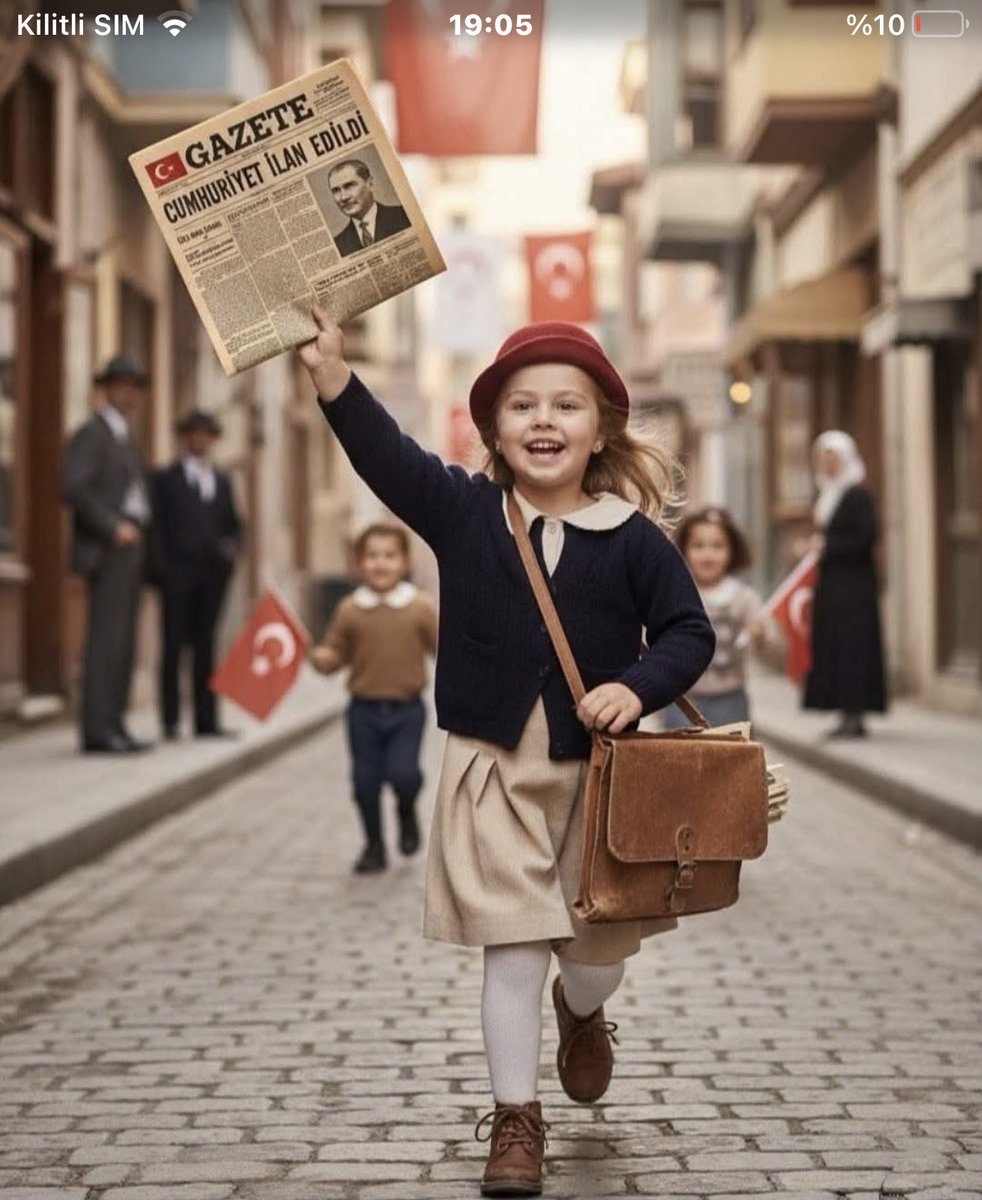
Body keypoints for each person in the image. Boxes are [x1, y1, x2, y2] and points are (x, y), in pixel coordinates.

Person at [299, 310, 714, 1197]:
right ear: (492, 428)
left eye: (566, 404)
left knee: (595, 956)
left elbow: (688, 632)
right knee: (514, 948)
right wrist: (334, 377)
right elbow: (386, 455)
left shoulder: (634, 538)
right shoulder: (464, 511)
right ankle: (517, 1123)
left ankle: (582, 1011)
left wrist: (637, 687)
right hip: (493, 767)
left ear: (601, 426)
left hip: (598, 781)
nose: (543, 420)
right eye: (522, 404)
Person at [309, 523, 438, 874]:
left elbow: (442, 647)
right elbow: (336, 653)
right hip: (363, 710)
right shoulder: (351, 609)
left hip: (407, 710)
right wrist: (323, 660)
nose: (380, 564)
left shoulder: (418, 607)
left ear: (405, 562)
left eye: (389, 556)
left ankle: (407, 811)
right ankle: (374, 846)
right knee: (365, 783)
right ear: (359, 564)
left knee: (404, 774)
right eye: (372, 556)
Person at [62, 354, 154, 755]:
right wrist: (112, 525)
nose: (127, 393)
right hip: (106, 551)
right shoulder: (92, 434)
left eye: (133, 387)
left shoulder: (127, 440)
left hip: (131, 553)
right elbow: (72, 489)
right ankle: (98, 731)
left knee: (123, 644)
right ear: (106, 390)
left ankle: (115, 723)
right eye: (119, 385)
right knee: (104, 642)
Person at [151, 410, 243, 740]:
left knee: (206, 646)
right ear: (185, 438)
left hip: (212, 577)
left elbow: (235, 524)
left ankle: (206, 720)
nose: (199, 439)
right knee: (173, 645)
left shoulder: (221, 481)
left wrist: (232, 550)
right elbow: (157, 528)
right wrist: (161, 571)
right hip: (177, 575)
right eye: (193, 433)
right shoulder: (165, 480)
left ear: (212, 440)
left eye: (205, 434)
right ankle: (170, 719)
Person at [803, 430, 887, 738]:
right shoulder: (828, 494)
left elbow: (865, 538)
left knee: (853, 648)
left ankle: (856, 713)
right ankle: (843, 710)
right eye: (824, 459)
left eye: (833, 458)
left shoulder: (857, 495)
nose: (828, 465)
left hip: (854, 589)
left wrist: (827, 546)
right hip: (834, 586)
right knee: (837, 647)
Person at [662, 506, 772, 730]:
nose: (707, 554)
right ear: (684, 549)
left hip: (730, 701)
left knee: (732, 763)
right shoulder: (674, 595)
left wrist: (761, 636)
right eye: (698, 546)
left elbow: (772, 655)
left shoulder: (744, 599)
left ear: (732, 551)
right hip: (683, 702)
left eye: (717, 546)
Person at [327, 159, 410, 257]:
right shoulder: (338, 245)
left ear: (370, 184)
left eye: (349, 186)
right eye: (336, 190)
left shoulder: (405, 215)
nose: (343, 197)